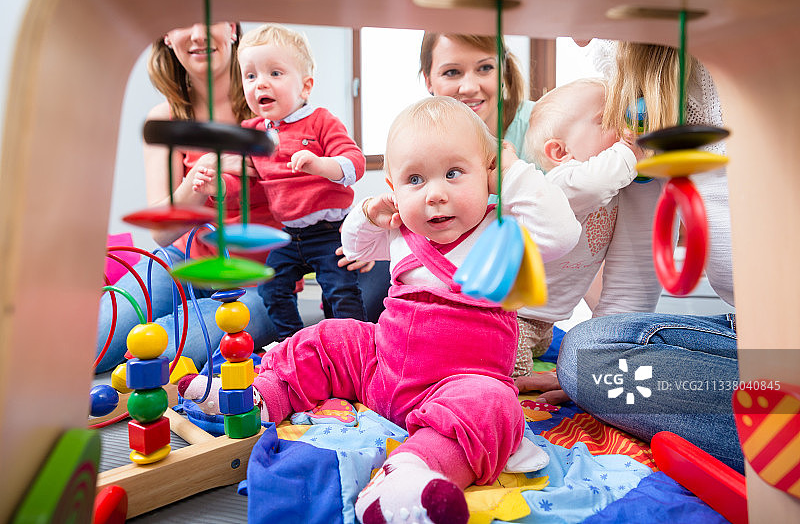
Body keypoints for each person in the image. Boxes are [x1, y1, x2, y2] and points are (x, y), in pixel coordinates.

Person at [183, 96, 581, 522]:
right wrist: (367, 214)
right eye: (415, 179)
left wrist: (514, 172)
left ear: (489, 175)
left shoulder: (499, 229)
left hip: (457, 385)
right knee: (333, 335)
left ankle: (411, 474)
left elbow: (562, 234)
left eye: (453, 173)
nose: (435, 195)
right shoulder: (399, 230)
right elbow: (354, 248)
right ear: (393, 189)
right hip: (381, 369)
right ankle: (261, 396)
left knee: (492, 405)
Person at [95, 22, 381, 374]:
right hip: (182, 260)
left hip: (255, 276)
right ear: (167, 35)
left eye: (208, 18)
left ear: (232, 28)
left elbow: (323, 189)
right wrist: (206, 173)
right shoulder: (166, 119)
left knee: (156, 353)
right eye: (182, 20)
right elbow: (162, 232)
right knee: (95, 338)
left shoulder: (274, 109)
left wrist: (356, 235)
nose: (198, 33)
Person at [521, 41, 743, 473]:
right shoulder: (582, 174)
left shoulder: (635, 145)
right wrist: (591, 378)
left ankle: (774, 427)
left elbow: (634, 275)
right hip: (747, 333)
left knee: (586, 361)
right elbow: (628, 287)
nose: (580, 40)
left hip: (780, 337)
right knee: (586, 354)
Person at [211, 23, 368, 342]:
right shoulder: (252, 132)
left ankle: (355, 347)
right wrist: (218, 186)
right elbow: (245, 186)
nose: (260, 84)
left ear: (306, 87)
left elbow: (355, 163)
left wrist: (318, 165)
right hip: (288, 235)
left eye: (275, 73)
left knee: (340, 293)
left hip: (329, 233)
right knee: (272, 287)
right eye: (250, 76)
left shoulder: (321, 120)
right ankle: (293, 344)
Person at [510, 77, 646, 378]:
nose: (623, 127)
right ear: (560, 152)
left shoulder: (614, 186)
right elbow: (597, 181)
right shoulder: (561, 184)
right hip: (511, 317)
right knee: (509, 378)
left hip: (546, 320)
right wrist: (629, 148)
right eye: (606, 120)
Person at [419, 33, 535, 161]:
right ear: (428, 81)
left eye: (485, 68)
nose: (470, 88)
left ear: (503, 71)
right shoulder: (414, 142)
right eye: (451, 72)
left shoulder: (543, 126)